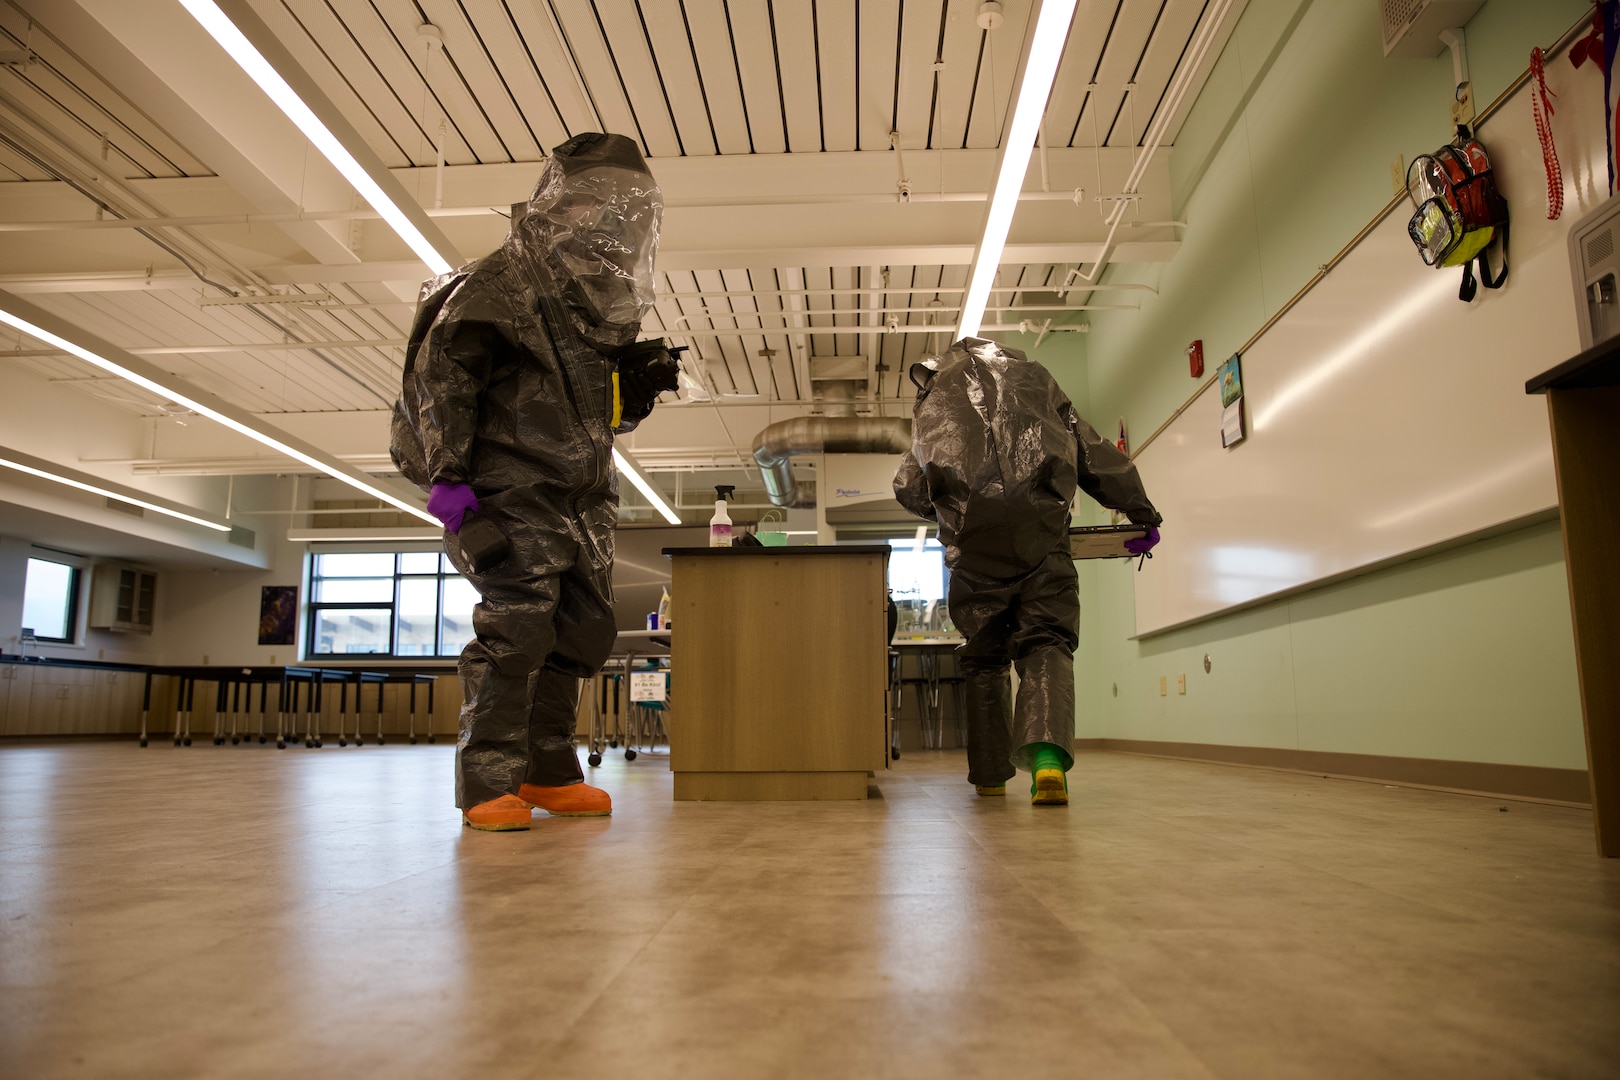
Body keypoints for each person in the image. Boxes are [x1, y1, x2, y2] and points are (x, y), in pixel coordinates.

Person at [390, 133, 680, 831]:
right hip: (506, 487)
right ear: (558, 202)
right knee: (517, 629)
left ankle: (546, 768)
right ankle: (488, 780)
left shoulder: (591, 304)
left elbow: (592, 414)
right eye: (592, 200)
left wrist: (632, 392)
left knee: (583, 631)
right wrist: (455, 498)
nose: (607, 220)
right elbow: (442, 391)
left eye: (621, 206)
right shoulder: (494, 288)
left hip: (582, 493)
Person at [893, 337, 1161, 806]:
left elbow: (911, 490)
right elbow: (1093, 453)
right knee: (1047, 643)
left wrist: (951, 507)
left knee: (983, 657)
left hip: (974, 551)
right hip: (1044, 540)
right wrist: (1142, 512)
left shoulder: (934, 398)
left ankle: (991, 776)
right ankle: (1047, 763)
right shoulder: (1036, 380)